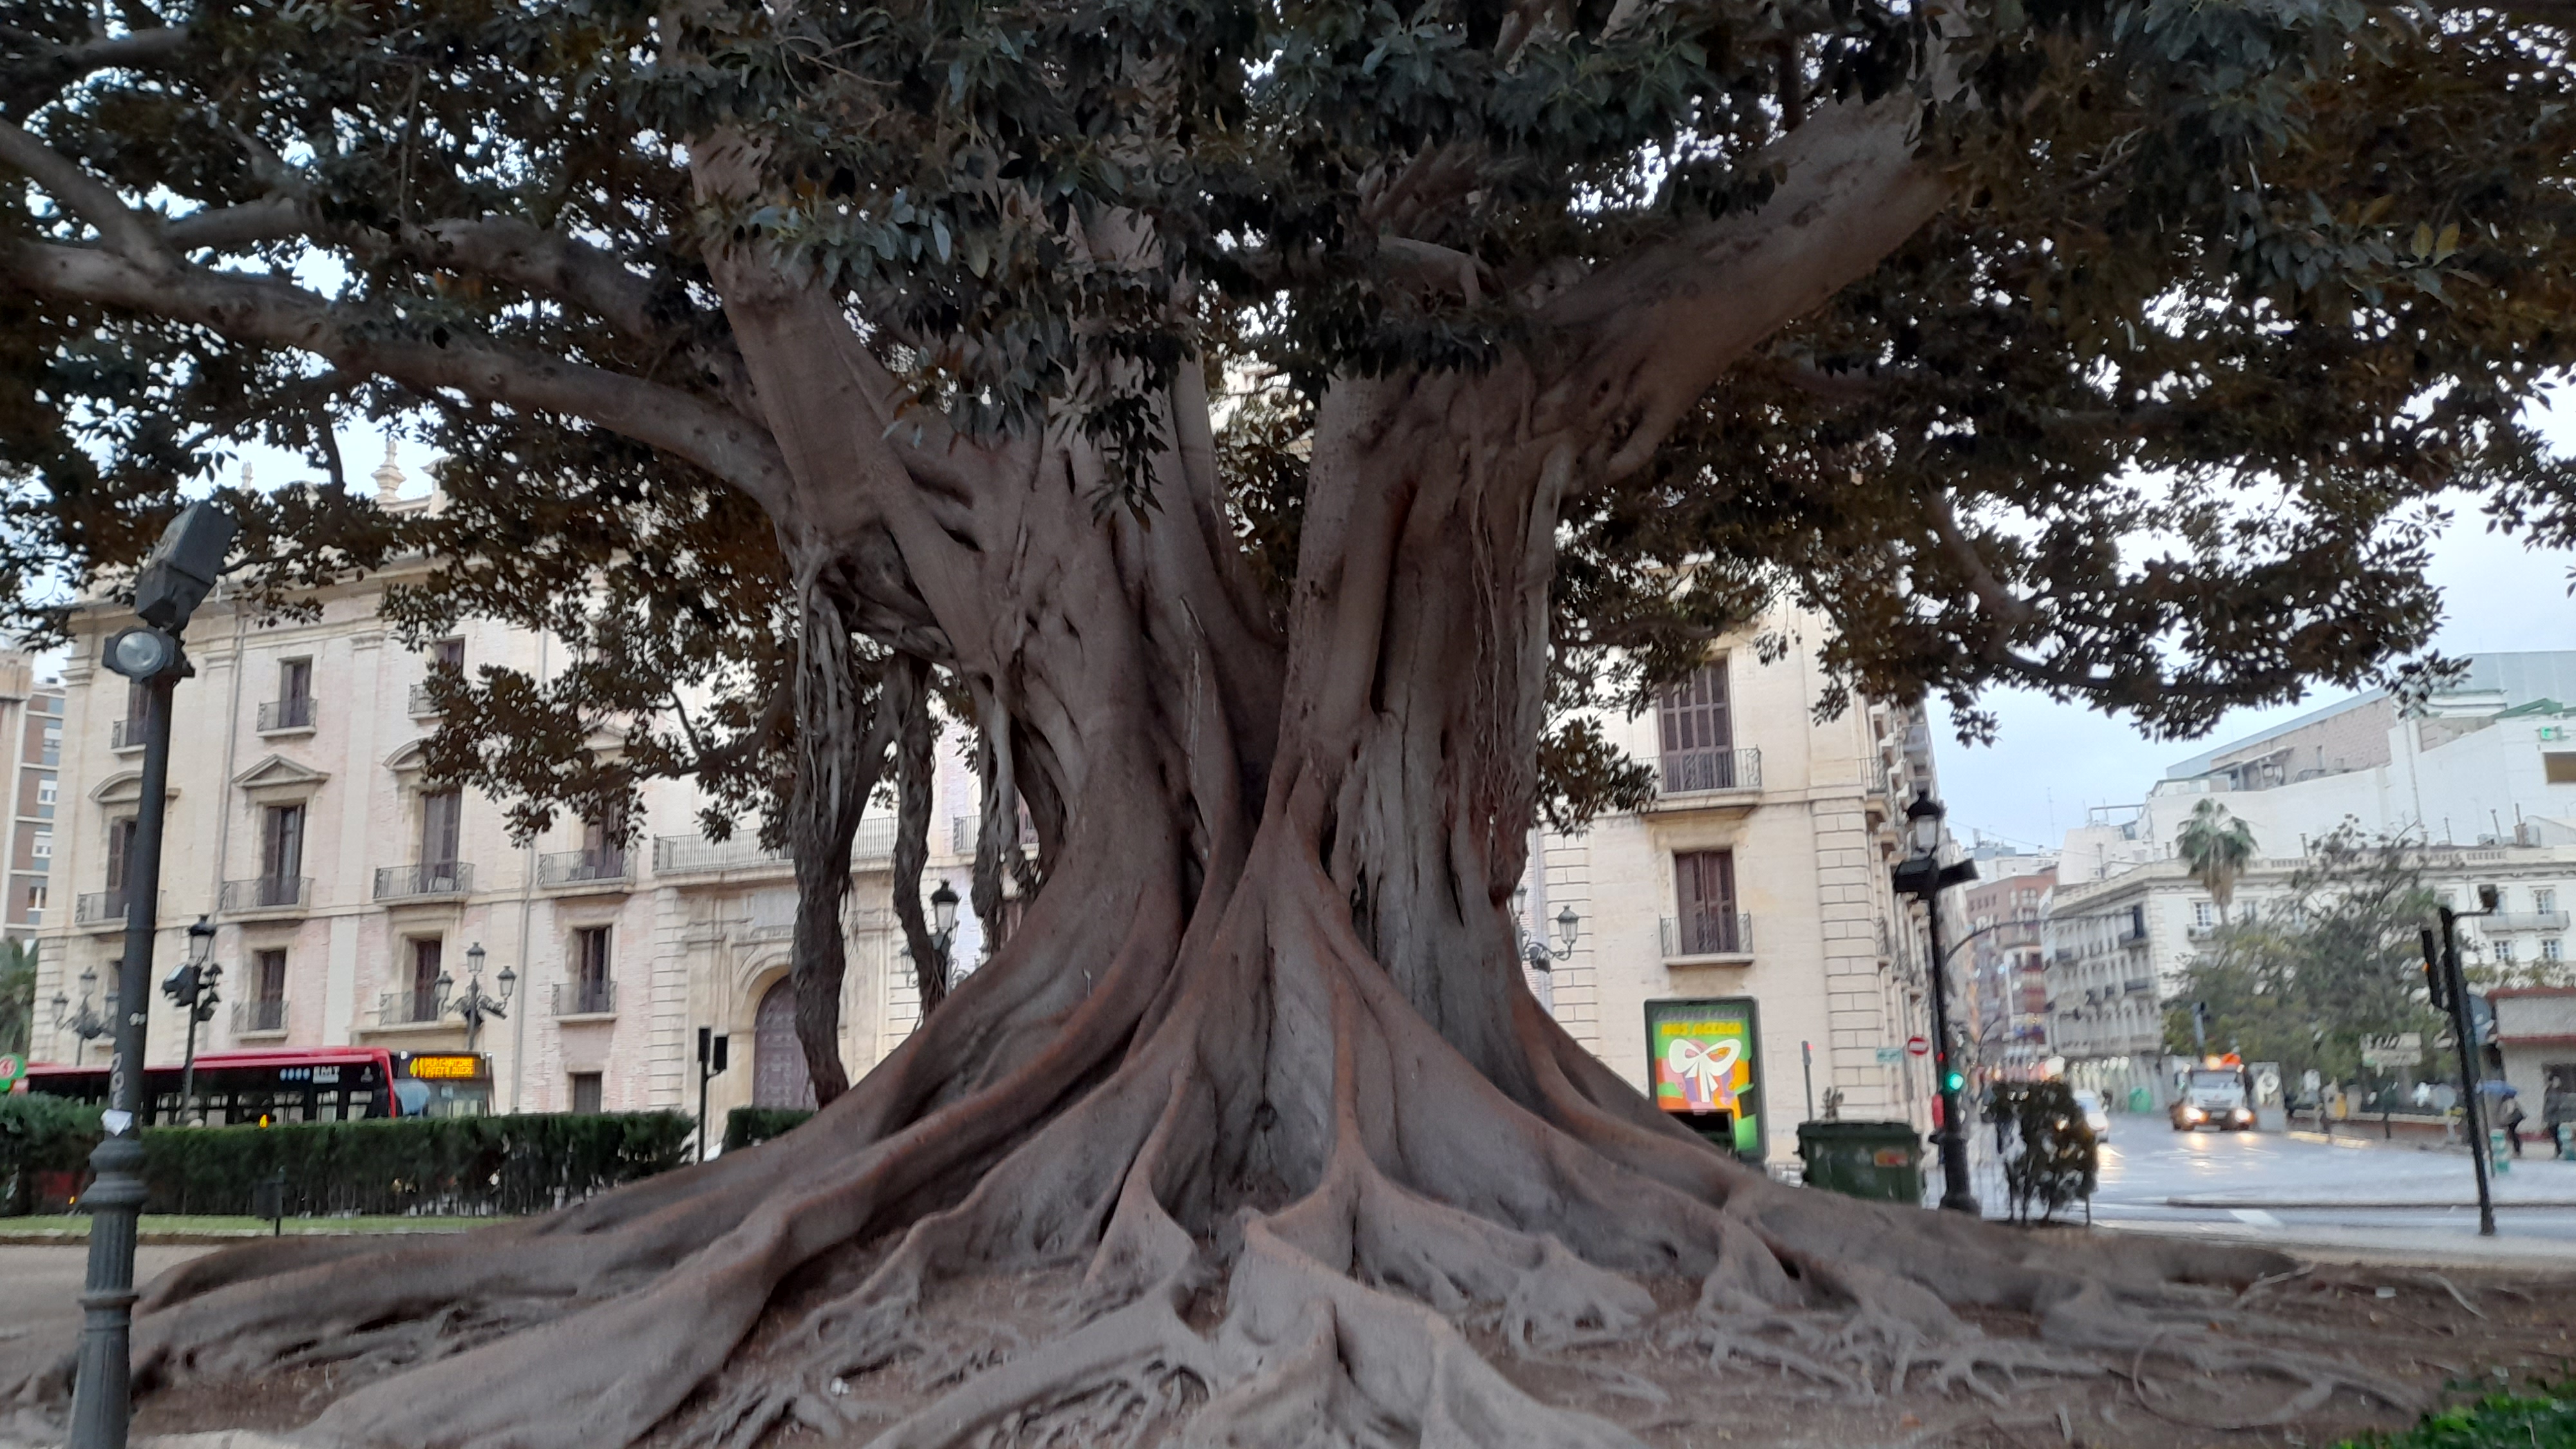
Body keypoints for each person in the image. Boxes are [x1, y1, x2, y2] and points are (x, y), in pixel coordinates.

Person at [2499, 1088, 2528, 1158]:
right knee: (2513, 1134)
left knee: (2513, 1134)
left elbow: (2510, 1111)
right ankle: (2517, 1149)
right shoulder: (2513, 1101)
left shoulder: (2510, 1102)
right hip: (2515, 1120)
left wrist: (2505, 1119)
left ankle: (2517, 1150)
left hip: (2513, 1120)